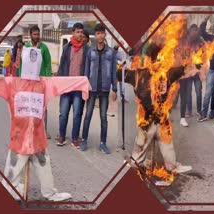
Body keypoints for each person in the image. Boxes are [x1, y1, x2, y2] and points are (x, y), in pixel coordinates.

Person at [0, 50, 91, 201]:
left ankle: (49, 193)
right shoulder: (11, 83)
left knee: (44, 166)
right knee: (11, 173)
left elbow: (67, 82)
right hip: (19, 139)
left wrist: (83, 83)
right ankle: (14, 190)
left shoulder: (45, 83)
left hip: (37, 140)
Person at [117, 42, 198, 173]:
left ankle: (170, 165)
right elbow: (119, 74)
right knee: (144, 146)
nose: (157, 61)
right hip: (147, 120)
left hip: (161, 118)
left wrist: (196, 63)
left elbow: (184, 69)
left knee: (165, 143)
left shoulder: (166, 73)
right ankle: (143, 162)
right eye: (155, 58)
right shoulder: (139, 74)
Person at [81, 23, 118, 154]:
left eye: (102, 33)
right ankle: (84, 140)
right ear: (95, 36)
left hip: (105, 89)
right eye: (98, 33)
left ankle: (103, 143)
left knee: (103, 117)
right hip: (91, 88)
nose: (100, 35)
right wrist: (84, 87)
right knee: (88, 115)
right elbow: (86, 71)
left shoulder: (111, 52)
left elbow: (114, 71)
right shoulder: (90, 51)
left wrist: (115, 89)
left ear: (105, 34)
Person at [56, 23, 90, 148]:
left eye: (81, 32)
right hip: (66, 87)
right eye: (77, 32)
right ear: (73, 33)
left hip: (79, 89)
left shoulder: (87, 50)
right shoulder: (66, 48)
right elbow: (61, 66)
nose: (80, 34)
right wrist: (59, 84)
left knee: (77, 114)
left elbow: (89, 68)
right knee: (63, 113)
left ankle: (75, 138)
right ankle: (62, 136)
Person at [19, 25, 52, 139]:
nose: (37, 36)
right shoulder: (26, 48)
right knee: (29, 105)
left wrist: (47, 79)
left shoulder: (44, 48)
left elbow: (48, 64)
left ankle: (44, 130)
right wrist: (21, 81)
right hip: (28, 82)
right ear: (30, 35)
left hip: (40, 81)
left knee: (43, 106)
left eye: (38, 34)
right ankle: (29, 129)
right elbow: (22, 65)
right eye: (34, 34)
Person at [178, 24, 205, 127]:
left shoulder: (199, 42)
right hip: (185, 73)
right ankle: (185, 114)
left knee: (196, 93)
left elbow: (204, 54)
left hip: (195, 71)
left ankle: (195, 112)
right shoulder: (182, 42)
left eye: (196, 30)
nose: (195, 32)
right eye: (193, 30)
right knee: (185, 94)